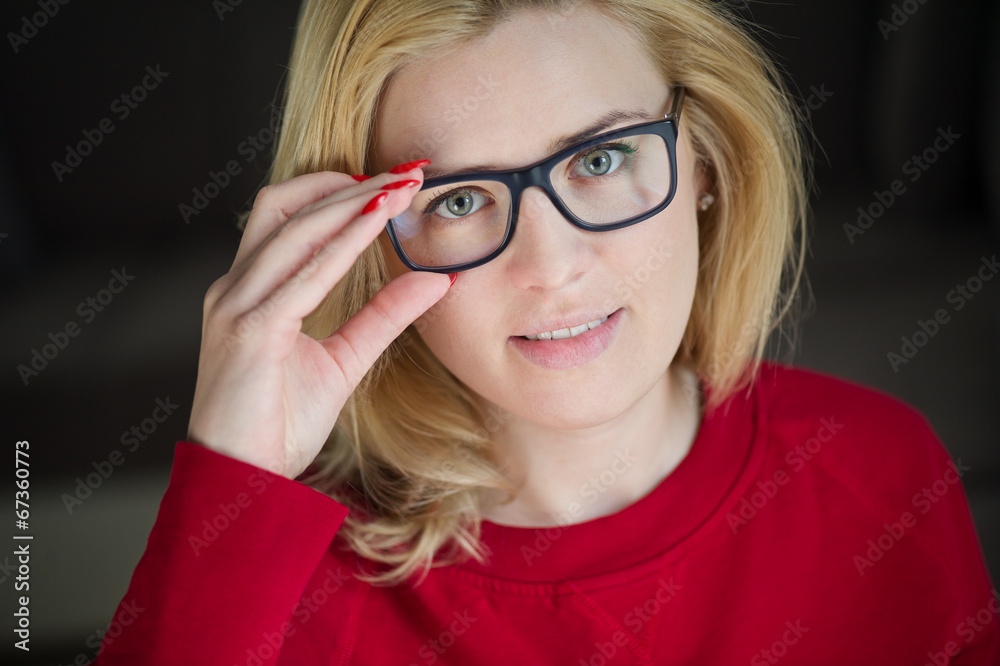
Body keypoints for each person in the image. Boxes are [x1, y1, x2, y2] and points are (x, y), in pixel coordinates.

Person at [92, 0, 999, 663]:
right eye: (458, 198)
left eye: (602, 159)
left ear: (707, 158)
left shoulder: (885, 476)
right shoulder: (272, 587)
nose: (552, 265)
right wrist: (233, 484)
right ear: (366, 243)